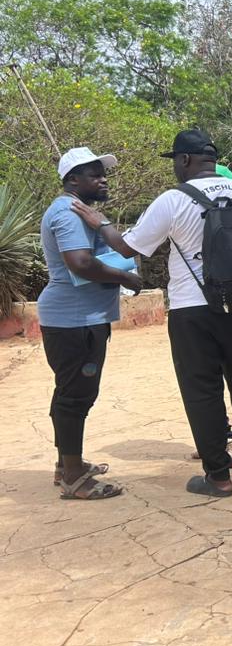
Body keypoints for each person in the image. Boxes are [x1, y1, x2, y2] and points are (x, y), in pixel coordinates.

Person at [71, 128, 232, 497]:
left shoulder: (172, 200)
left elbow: (128, 248)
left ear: (185, 159)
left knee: (201, 393)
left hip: (192, 311)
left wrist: (100, 222)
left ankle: (218, 478)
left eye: (175, 159)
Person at [39, 147, 143, 499]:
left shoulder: (76, 212)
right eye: (94, 174)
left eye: (103, 172)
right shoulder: (68, 214)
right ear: (72, 181)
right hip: (74, 320)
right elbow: (80, 263)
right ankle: (73, 479)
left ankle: (68, 464)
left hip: (78, 318)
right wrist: (125, 279)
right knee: (76, 395)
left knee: (71, 392)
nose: (103, 179)